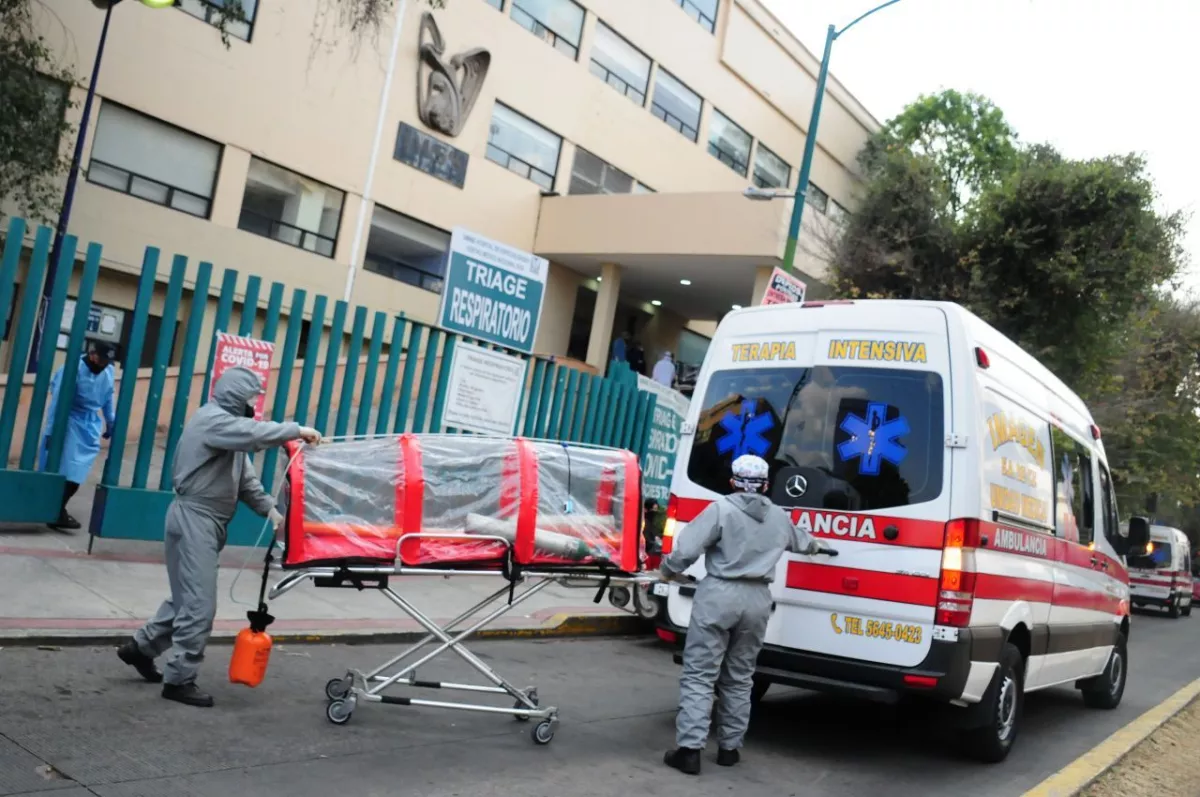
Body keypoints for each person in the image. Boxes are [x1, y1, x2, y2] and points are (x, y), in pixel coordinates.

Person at [117, 366, 323, 708]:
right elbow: (255, 433)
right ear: (235, 397)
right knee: (199, 604)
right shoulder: (212, 420)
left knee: (186, 598)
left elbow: (245, 482)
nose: (253, 406)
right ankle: (179, 679)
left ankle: (141, 648)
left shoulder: (231, 436)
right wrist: (295, 431)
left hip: (206, 522)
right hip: (194, 518)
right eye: (251, 398)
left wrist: (272, 512)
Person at [660, 454, 836, 775]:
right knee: (740, 678)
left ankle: (690, 751)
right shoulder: (779, 517)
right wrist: (823, 547)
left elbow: (685, 551)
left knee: (700, 675)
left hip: (718, 596)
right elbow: (804, 542)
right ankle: (729, 749)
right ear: (766, 485)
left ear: (732, 482)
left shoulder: (721, 509)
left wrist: (667, 571)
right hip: (757, 601)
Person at [39, 341, 117, 531]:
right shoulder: (72, 369)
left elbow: (107, 397)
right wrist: (51, 430)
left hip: (89, 424)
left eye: (108, 360)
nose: (104, 363)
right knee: (62, 468)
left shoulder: (108, 372)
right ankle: (54, 511)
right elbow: (57, 401)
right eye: (102, 358)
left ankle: (55, 509)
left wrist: (110, 421)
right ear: (92, 354)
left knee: (78, 471)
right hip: (69, 420)